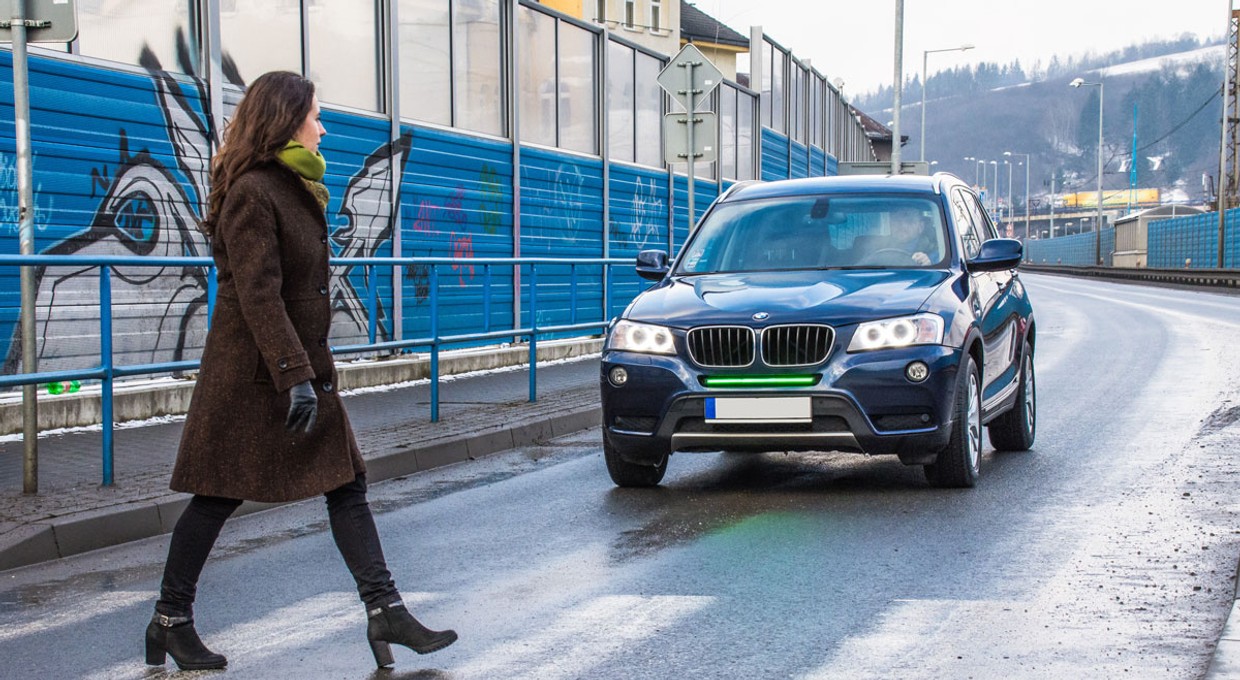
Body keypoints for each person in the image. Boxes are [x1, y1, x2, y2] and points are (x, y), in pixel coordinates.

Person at [145, 71, 456, 672]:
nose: (323, 127)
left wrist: (303, 372)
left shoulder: (291, 186)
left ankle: (384, 608)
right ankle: (169, 620)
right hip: (254, 377)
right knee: (216, 497)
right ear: (286, 120)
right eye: (316, 115)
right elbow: (259, 295)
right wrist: (294, 376)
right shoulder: (253, 192)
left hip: (297, 369)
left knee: (347, 484)